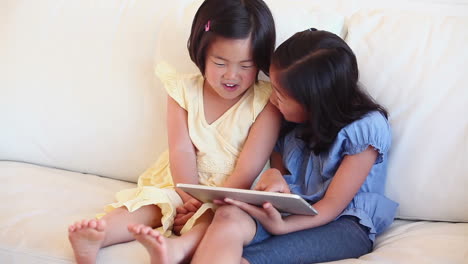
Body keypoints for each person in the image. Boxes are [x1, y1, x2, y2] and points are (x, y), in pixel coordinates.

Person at [67, 0, 280, 263]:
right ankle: (100, 234)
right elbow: (181, 148)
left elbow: (249, 166)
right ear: (202, 53)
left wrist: (203, 204)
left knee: (215, 217)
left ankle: (177, 250)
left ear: (260, 62)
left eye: (245, 66)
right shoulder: (183, 91)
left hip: (231, 192)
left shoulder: (267, 102)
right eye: (220, 62)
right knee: (152, 203)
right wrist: (185, 195)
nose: (231, 75)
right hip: (180, 181)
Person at [191, 29, 399, 264]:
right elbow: (282, 176)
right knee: (228, 216)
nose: (271, 99)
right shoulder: (290, 123)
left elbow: (331, 206)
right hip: (293, 210)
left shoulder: (365, 129)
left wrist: (282, 227)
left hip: (343, 224)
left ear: (315, 102)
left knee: (249, 258)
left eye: (280, 95)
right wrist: (273, 176)